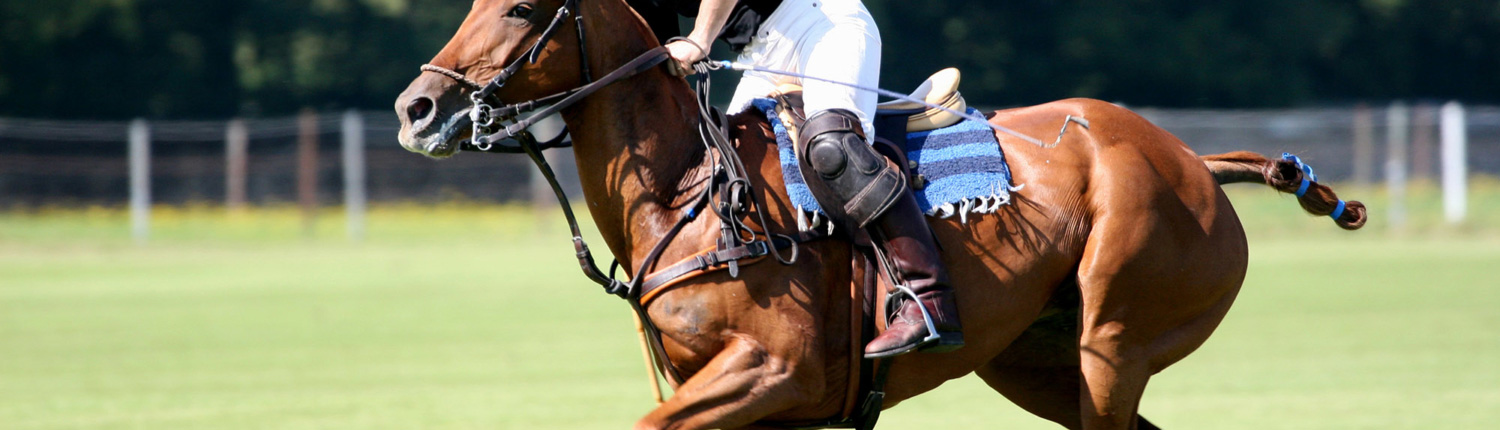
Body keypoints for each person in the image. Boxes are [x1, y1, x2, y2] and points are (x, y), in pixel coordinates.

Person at [626, 0, 963, 359]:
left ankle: (928, 300)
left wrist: (699, 38)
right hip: (758, 56)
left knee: (832, 148)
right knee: (729, 176)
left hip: (821, 23)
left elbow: (695, 41)